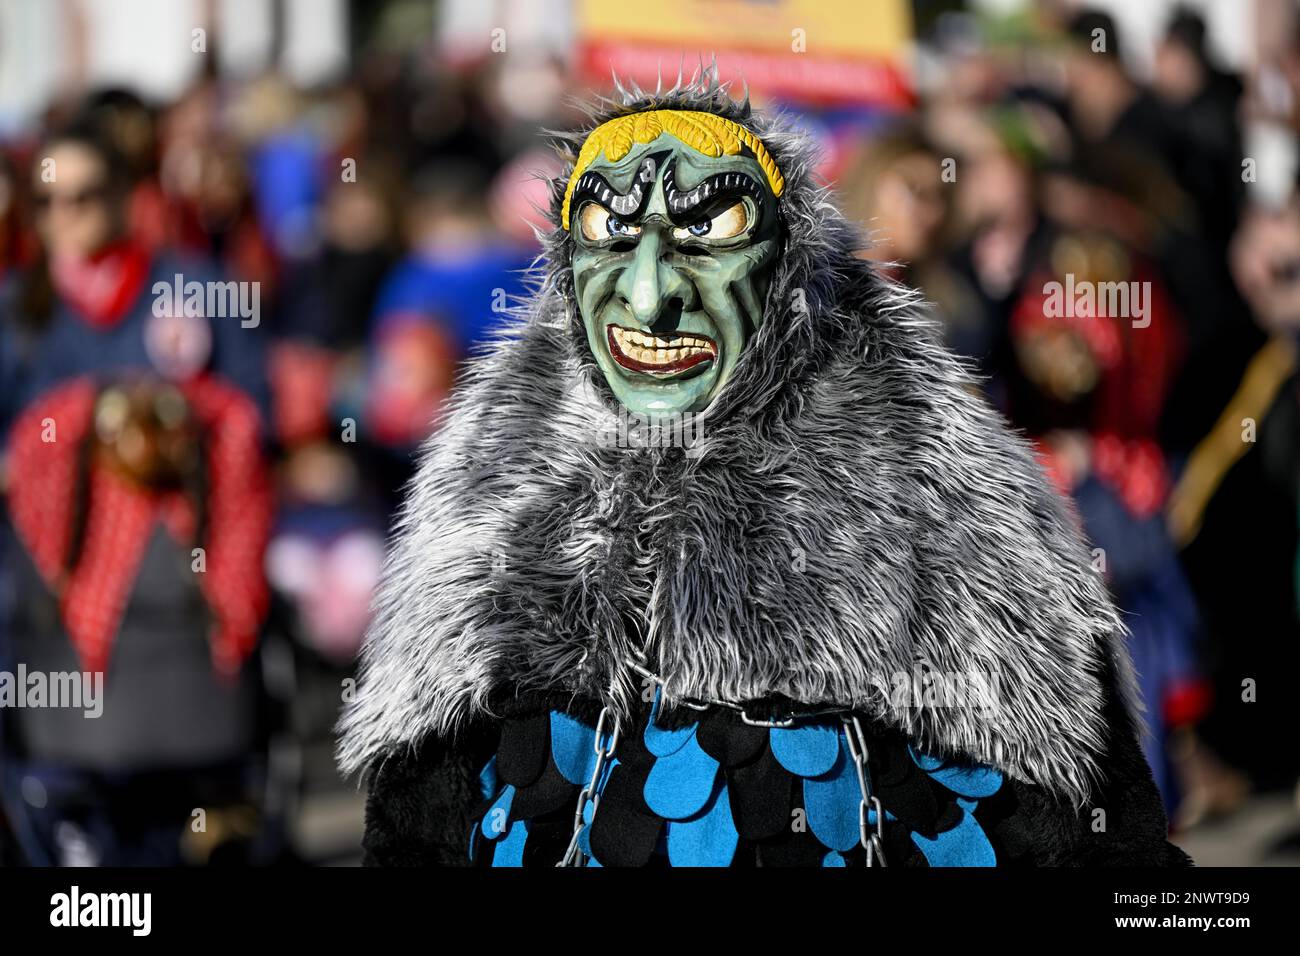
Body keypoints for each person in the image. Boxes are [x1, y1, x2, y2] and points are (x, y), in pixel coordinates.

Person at [338, 72, 1188, 867]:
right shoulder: (492, 488)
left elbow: (1098, 832)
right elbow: (415, 832)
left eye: (706, 235)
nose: (647, 298)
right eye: (610, 236)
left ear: (785, 272)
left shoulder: (937, 481)